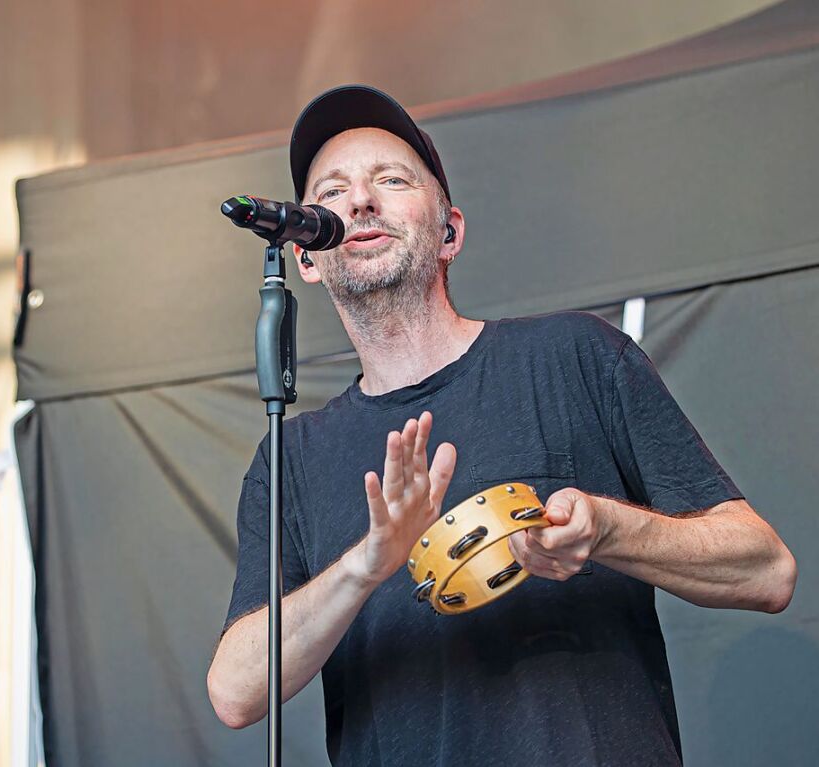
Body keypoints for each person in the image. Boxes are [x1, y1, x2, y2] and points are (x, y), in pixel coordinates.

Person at [206, 84, 796, 766]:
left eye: (391, 180)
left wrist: (610, 528)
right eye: (332, 191)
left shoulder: (573, 356)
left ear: (449, 230)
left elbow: (766, 569)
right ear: (305, 256)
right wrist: (364, 566)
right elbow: (234, 690)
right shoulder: (292, 457)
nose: (361, 200)